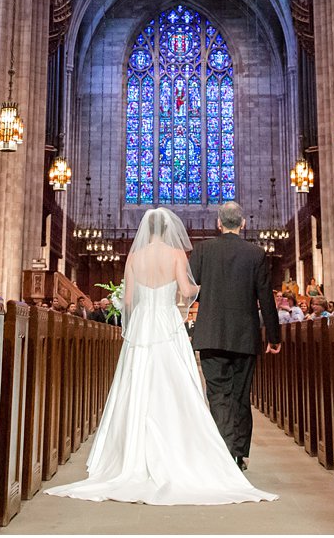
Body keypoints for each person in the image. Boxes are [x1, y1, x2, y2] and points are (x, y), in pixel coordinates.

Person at [45, 208, 275, 506]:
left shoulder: (134, 257)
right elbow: (187, 290)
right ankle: (202, 449)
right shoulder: (177, 254)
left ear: (146, 229)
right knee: (175, 386)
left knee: (138, 382)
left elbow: (127, 300)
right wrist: (210, 289)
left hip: (141, 326)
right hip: (167, 325)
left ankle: (133, 454)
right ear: (168, 229)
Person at [189, 200, 282, 471]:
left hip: (211, 333)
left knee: (218, 395)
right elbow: (266, 298)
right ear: (243, 223)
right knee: (241, 395)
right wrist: (274, 337)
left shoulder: (203, 250)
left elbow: (191, 290)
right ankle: (239, 454)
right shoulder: (256, 253)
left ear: (218, 223)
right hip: (244, 335)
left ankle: (223, 453)